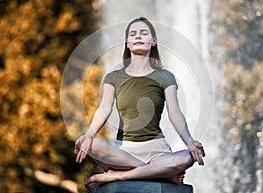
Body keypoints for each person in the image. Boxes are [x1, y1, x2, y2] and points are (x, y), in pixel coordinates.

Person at [74, 17, 205, 190]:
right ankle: (159, 172)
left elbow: (174, 112)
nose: (138, 37)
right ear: (127, 43)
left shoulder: (165, 77)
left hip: (157, 152)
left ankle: (118, 175)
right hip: (123, 152)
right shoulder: (113, 77)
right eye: (133, 34)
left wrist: (189, 141)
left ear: (153, 41)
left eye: (144, 33)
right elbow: (104, 108)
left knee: (187, 157)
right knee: (92, 144)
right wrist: (89, 135)